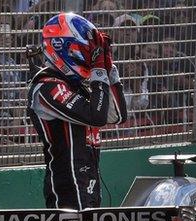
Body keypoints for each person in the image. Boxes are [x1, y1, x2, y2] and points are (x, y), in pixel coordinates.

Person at [27, 13, 127, 209]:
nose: (89, 57)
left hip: (90, 185)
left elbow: (117, 116)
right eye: (84, 51)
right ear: (62, 47)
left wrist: (108, 68)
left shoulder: (78, 87)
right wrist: (98, 71)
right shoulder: (46, 87)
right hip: (67, 195)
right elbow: (96, 117)